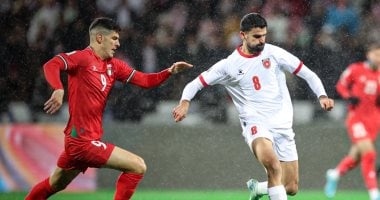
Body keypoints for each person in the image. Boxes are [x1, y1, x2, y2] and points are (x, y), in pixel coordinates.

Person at [25, 17, 192, 200]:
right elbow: (52, 64)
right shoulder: (82, 58)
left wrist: (169, 71)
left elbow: (145, 80)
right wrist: (58, 88)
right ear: (99, 38)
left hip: (82, 140)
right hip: (81, 142)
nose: (118, 43)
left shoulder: (114, 66)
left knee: (54, 184)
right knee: (137, 166)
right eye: (114, 38)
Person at [172, 13, 334, 200]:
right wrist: (184, 103)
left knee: (290, 186)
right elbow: (195, 84)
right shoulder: (229, 65)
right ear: (243, 35)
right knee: (273, 165)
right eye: (256, 36)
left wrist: (322, 95)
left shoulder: (274, 53)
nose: (262, 41)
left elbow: (308, 74)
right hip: (256, 124)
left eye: (264, 35)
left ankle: (258, 189)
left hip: (282, 125)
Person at [324, 42, 380, 200]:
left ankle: (334, 174)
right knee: (369, 154)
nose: (379, 58)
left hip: (374, 121)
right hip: (356, 119)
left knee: (356, 158)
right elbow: (341, 85)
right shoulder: (356, 69)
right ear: (368, 55)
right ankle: (374, 193)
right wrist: (349, 97)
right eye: (376, 54)